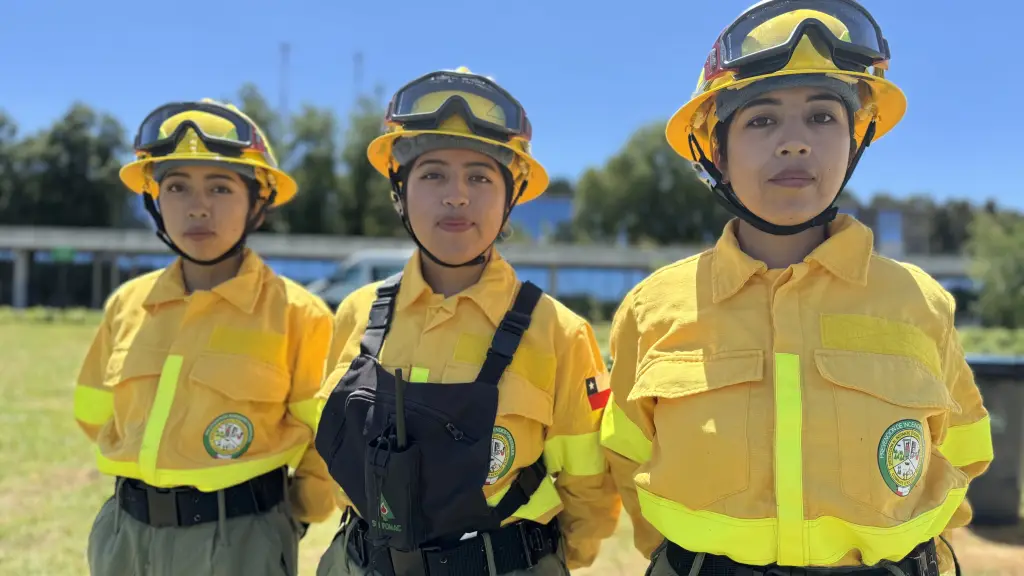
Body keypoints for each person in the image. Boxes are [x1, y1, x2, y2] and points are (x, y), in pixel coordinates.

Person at [599, 2, 994, 575]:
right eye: (761, 119)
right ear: (717, 152)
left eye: (822, 117)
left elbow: (962, 454)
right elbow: (626, 455)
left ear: (856, 140)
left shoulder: (920, 304)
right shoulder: (653, 307)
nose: (795, 142)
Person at [313, 66, 620, 576]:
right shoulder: (356, 313)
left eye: (479, 177)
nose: (456, 195)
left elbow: (588, 490)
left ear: (511, 194)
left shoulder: (558, 332)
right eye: (432, 174)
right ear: (400, 187)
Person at [73, 99, 337, 576]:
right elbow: (94, 414)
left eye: (220, 187)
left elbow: (331, 441)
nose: (197, 207)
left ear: (258, 202)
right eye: (176, 187)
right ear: (154, 201)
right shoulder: (128, 305)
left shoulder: (299, 315)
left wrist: (290, 515)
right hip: (123, 538)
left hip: (239, 539)